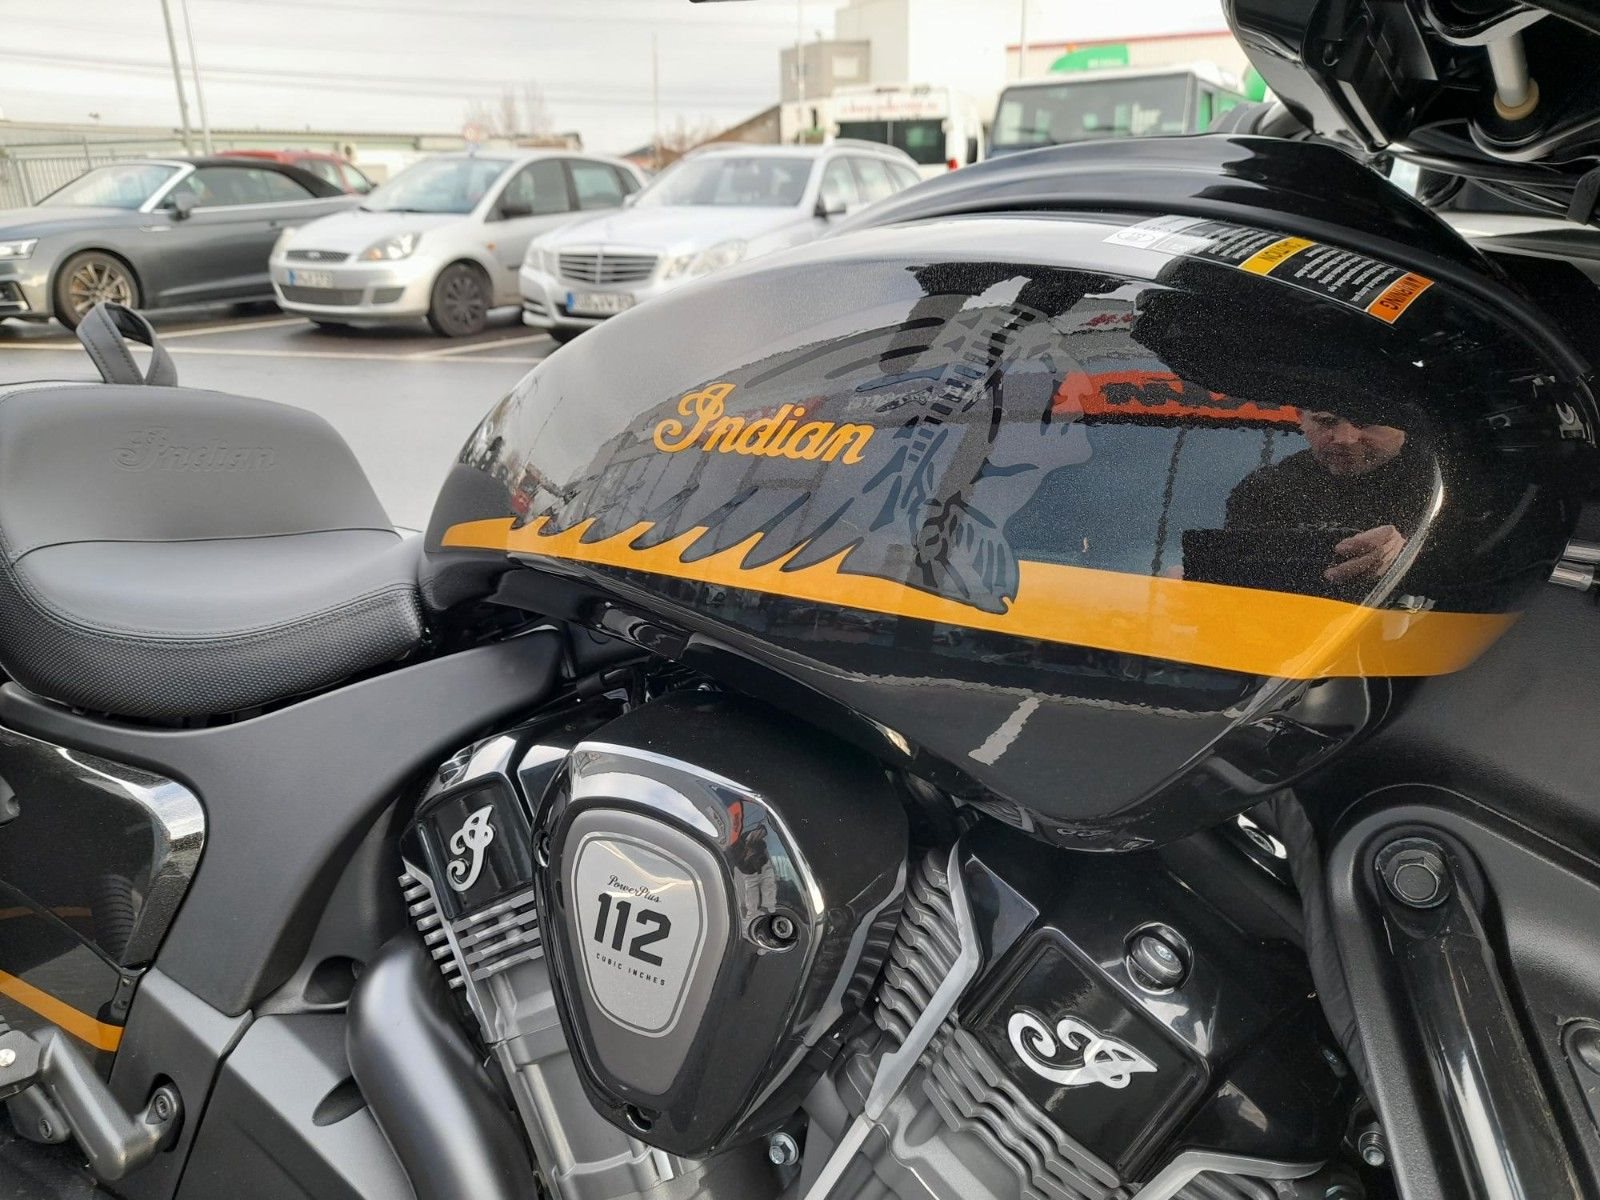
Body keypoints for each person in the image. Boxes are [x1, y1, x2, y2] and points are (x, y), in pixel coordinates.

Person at [1185, 394, 1433, 600]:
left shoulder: (1440, 481)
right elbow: (1239, 589)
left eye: (1366, 421)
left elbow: (1455, 580)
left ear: (1406, 424)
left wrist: (1409, 557)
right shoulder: (1265, 490)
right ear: (1300, 418)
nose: (1345, 438)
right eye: (1326, 421)